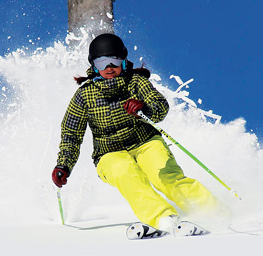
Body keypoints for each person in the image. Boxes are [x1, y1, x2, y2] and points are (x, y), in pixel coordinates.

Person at [52, 33, 220, 234]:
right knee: (125, 172)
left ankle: (213, 211)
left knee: (164, 176)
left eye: (114, 61)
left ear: (123, 60)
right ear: (93, 65)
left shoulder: (136, 82)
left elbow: (160, 106)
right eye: (102, 62)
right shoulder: (84, 95)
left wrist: (145, 109)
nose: (109, 68)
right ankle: (164, 218)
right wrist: (64, 164)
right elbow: (71, 133)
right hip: (109, 154)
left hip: (146, 142)